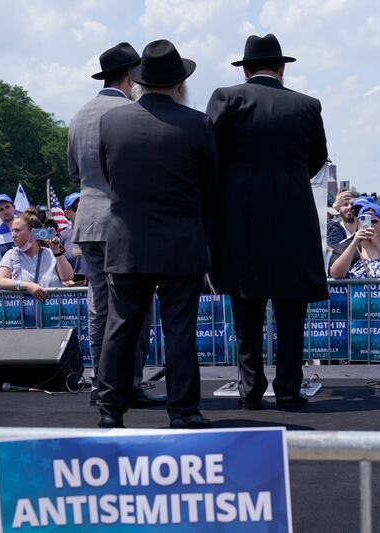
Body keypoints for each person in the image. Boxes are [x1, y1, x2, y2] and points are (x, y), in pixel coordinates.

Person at [97, 39, 217, 429]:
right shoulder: (197, 124)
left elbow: (109, 174)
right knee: (180, 330)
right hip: (180, 245)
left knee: (120, 328)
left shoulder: (112, 121)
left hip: (128, 244)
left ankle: (111, 408)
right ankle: (183, 411)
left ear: (139, 82)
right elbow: (210, 187)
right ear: (180, 84)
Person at [207, 33, 327, 411]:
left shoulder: (226, 98)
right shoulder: (307, 106)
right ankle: (289, 389)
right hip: (294, 220)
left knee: (246, 313)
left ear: (245, 69)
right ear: (282, 68)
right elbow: (317, 159)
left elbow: (209, 155)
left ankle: (251, 388)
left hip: (241, 223)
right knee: (292, 314)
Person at [67, 42, 161, 409]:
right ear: (132, 76)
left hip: (88, 221)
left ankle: (100, 382)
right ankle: (129, 383)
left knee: (99, 307)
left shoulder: (79, 115)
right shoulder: (132, 112)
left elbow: (74, 172)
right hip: (124, 222)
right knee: (134, 308)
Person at [0, 209, 74, 298]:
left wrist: (57, 253)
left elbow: (68, 277)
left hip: (52, 310)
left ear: (32, 233)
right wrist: (27, 286)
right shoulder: (11, 254)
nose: (13, 234)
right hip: (23, 311)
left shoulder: (50, 254)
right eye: (12, 230)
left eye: (17, 230)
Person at [328, 204, 380, 279]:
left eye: (374, 221)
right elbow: (335, 274)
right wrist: (353, 245)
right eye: (364, 221)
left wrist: (377, 245)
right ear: (358, 224)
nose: (370, 225)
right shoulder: (345, 246)